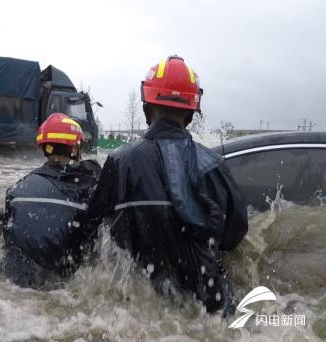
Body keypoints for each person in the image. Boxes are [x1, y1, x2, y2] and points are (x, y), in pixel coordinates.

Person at [89, 56, 248, 314]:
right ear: (191, 113)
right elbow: (234, 235)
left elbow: (95, 223)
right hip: (207, 308)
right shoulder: (213, 165)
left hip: (135, 309)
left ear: (146, 106)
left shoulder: (119, 162)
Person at [0, 113, 101, 288]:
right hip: (59, 286)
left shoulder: (16, 190)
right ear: (75, 149)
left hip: (11, 280)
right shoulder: (87, 188)